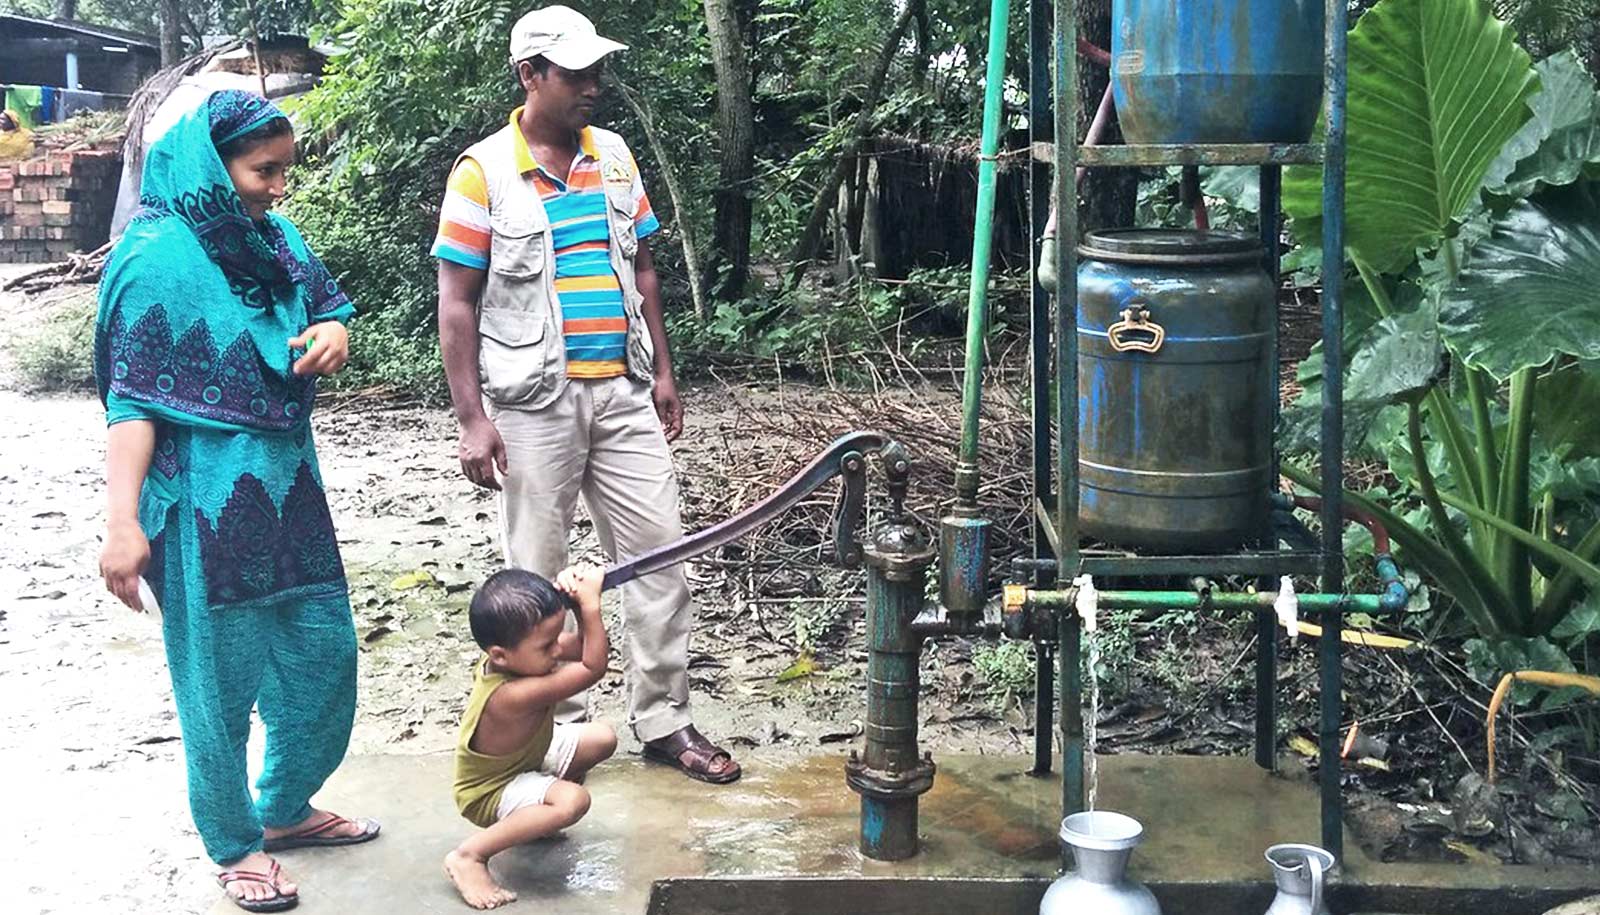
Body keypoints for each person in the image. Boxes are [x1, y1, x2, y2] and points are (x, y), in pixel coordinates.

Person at [434, 4, 739, 784]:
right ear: (530, 76)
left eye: (597, 71)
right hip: (534, 403)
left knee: (659, 558)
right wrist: (473, 418)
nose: (592, 86)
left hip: (624, 392)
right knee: (537, 578)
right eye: (574, 73)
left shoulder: (614, 158)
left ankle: (665, 720)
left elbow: (642, 269)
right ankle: (554, 732)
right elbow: (457, 303)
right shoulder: (482, 172)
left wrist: (664, 371)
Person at [95, 90, 378, 913]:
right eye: (264, 170)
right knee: (215, 685)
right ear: (209, 165)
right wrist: (121, 523)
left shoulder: (272, 239)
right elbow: (131, 404)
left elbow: (327, 308)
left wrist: (336, 336)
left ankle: (285, 808)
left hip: (291, 489)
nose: (279, 188)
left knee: (327, 655)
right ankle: (234, 842)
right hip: (203, 509)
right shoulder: (154, 256)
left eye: (285, 169)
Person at [446, 566, 618, 909]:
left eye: (556, 638)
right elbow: (592, 668)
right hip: (490, 792)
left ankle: (534, 819)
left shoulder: (519, 653)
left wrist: (576, 603)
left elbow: (587, 647)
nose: (556, 650)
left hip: (526, 758)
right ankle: (470, 856)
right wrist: (591, 607)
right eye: (547, 645)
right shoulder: (511, 695)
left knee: (602, 737)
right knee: (572, 801)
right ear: (499, 655)